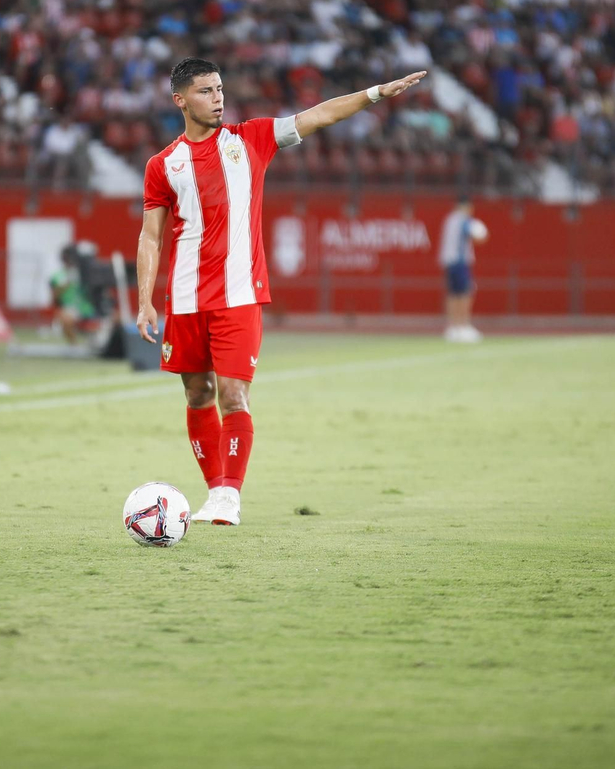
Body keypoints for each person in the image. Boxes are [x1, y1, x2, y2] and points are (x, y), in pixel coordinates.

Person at [135, 58, 427, 526]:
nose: (218, 98)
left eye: (220, 88)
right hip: (185, 298)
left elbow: (320, 115)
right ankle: (214, 491)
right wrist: (145, 299)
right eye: (207, 91)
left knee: (232, 395)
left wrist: (374, 94)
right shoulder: (162, 165)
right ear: (181, 100)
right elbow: (151, 236)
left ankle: (230, 494)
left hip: (239, 296)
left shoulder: (251, 140)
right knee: (196, 394)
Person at [438, 195, 489, 343]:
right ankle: (464, 326)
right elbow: (477, 235)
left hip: (449, 261)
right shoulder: (463, 220)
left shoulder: (449, 220)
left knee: (453, 294)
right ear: (466, 206)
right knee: (465, 293)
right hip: (460, 262)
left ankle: (453, 327)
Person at [50, 245, 99, 344]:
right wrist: (66, 283)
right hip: (69, 308)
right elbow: (54, 298)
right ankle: (74, 345)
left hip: (86, 307)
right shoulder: (58, 275)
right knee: (65, 318)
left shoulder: (85, 273)